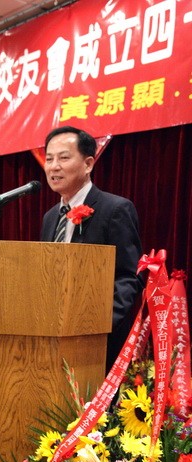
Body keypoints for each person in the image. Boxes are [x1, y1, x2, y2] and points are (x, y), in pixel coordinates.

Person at [40, 125, 144, 373]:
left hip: (98, 344)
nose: (54, 167)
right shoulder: (50, 217)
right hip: (51, 336)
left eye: (64, 158)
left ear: (88, 164)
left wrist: (99, 325)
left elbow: (130, 277)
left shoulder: (115, 209)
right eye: (49, 159)